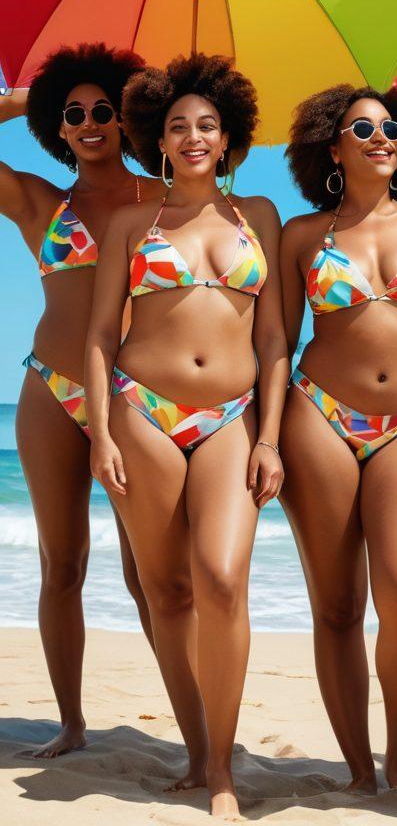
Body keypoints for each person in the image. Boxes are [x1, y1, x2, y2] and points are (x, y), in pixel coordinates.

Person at [85, 54, 288, 819]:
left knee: (223, 580)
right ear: (157, 142)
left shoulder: (257, 217)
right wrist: (103, 432)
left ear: (228, 136)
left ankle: (226, 774)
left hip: (232, 416)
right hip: (144, 412)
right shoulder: (133, 223)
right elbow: (103, 335)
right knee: (166, 589)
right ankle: (198, 751)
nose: (193, 136)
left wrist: (269, 437)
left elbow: (275, 342)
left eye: (206, 125)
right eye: (178, 127)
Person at [278, 85, 397, 793]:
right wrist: (265, 440)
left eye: (390, 126)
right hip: (317, 415)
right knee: (337, 606)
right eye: (362, 127)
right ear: (333, 146)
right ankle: (359, 769)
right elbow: (274, 343)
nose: (380, 136)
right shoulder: (302, 235)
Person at [0, 44, 158, 757]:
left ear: (128, 120)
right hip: (51, 391)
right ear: (56, 127)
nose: (91, 123)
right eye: (74, 114)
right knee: (62, 565)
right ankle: (71, 722)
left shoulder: (166, 198)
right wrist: (20, 99)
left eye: (105, 111)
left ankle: (195, 714)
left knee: (152, 572)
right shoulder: (39, 201)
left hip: (140, 399)